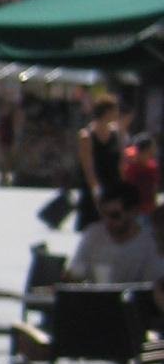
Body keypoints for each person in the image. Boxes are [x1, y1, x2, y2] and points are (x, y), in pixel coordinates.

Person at [65, 180, 164, 287]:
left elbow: (154, 285)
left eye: (114, 215)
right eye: (103, 215)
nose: (107, 222)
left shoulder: (151, 241)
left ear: (133, 212)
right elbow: (74, 275)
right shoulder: (93, 233)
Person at [75, 94, 126, 228]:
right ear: (106, 112)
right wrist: (95, 190)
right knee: (91, 227)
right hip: (94, 188)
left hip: (113, 187)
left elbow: (121, 162)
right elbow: (88, 166)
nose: (117, 113)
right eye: (115, 110)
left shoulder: (117, 133)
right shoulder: (86, 136)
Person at [123, 131, 158, 219]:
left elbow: (154, 189)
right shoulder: (129, 169)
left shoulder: (152, 166)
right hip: (134, 213)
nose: (152, 155)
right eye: (149, 152)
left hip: (150, 211)